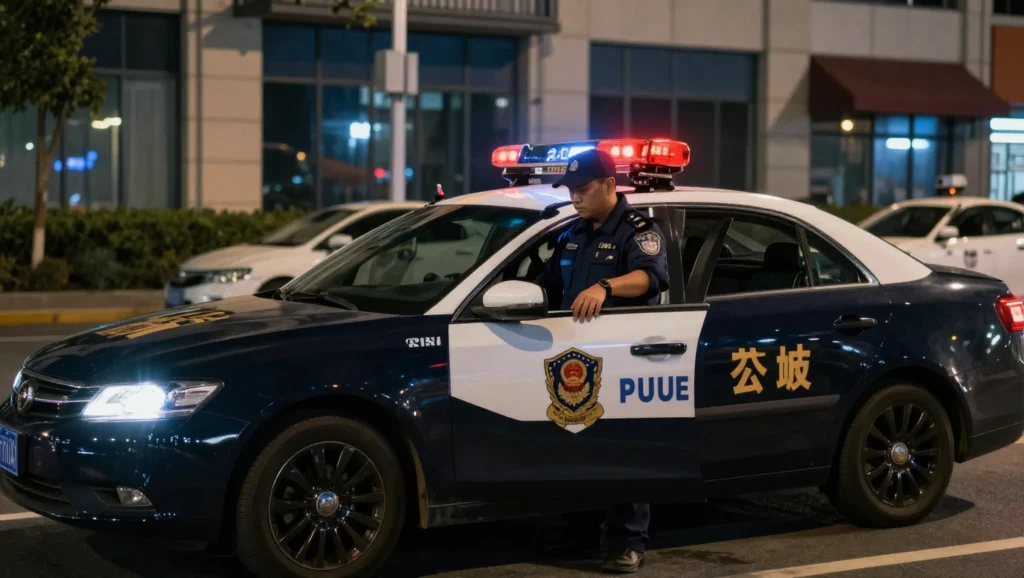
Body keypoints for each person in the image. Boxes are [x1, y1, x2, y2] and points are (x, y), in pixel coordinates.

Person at [536, 148, 670, 574]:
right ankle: (581, 532)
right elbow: (546, 283)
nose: (574, 197)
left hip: (624, 353)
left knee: (623, 448)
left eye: (582, 189)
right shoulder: (572, 234)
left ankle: (629, 542)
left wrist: (605, 287)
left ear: (610, 186)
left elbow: (649, 277)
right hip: (573, 357)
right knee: (576, 442)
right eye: (570, 190)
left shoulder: (638, 230)